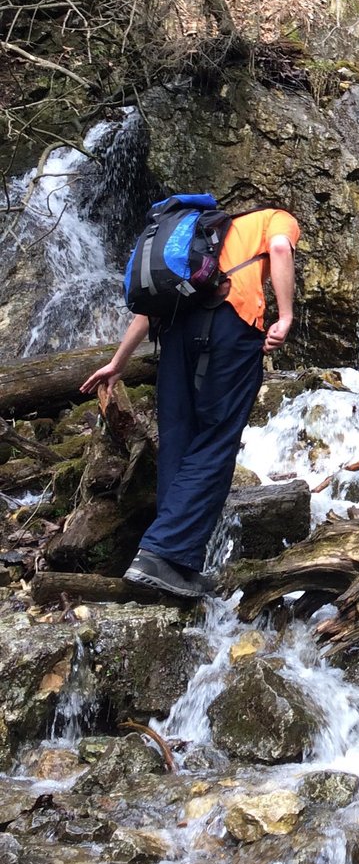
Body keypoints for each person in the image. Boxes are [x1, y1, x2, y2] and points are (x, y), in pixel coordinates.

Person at [81, 205, 300, 600]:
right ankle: (160, 553)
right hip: (231, 327)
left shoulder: (189, 245)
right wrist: (284, 317)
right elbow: (282, 249)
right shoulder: (274, 218)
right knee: (216, 439)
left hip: (177, 332)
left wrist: (117, 363)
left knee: (178, 440)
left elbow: (151, 310)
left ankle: (174, 566)